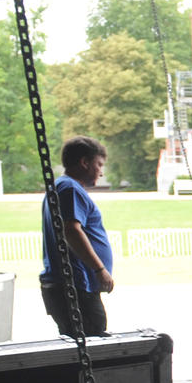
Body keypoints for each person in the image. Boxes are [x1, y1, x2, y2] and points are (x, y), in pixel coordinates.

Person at [39, 137, 115, 337]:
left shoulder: (61, 186)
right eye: (99, 164)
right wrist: (99, 269)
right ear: (84, 162)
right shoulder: (71, 189)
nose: (101, 171)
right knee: (92, 344)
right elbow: (71, 230)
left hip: (70, 285)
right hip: (77, 286)